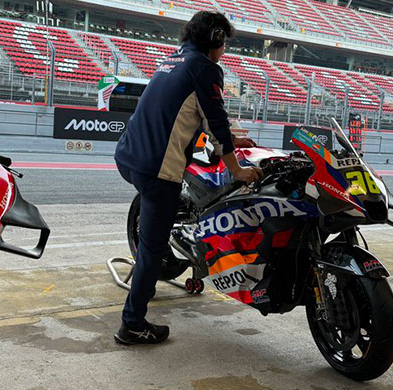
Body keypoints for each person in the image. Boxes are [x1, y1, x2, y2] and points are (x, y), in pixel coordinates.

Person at [113, 11, 262, 345]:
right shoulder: (206, 68)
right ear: (218, 40)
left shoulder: (174, 59)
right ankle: (132, 324)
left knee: (157, 224)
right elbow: (216, 121)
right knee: (152, 250)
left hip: (128, 155)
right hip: (157, 169)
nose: (225, 50)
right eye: (225, 43)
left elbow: (195, 111)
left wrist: (228, 140)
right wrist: (237, 168)